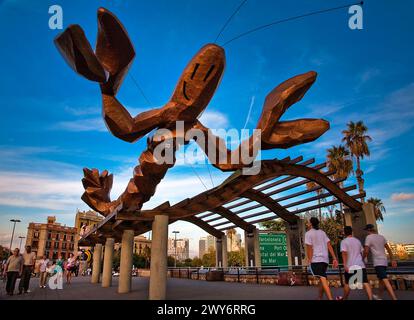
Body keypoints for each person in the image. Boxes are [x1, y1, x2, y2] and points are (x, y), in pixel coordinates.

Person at [305, 217, 339, 300]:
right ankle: (319, 297)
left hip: (316, 259)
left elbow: (309, 248)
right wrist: (334, 258)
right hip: (325, 260)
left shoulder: (308, 233)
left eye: (308, 222)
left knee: (323, 278)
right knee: (322, 277)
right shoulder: (323, 233)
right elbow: (329, 245)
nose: (307, 223)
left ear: (311, 223)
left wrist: (309, 259)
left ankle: (330, 299)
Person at [363, 224, 398, 300]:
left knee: (384, 279)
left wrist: (362, 258)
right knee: (381, 280)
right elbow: (388, 249)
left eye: (366, 230)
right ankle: (379, 296)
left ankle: (394, 298)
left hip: (378, 262)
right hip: (384, 261)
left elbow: (366, 251)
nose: (366, 232)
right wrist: (392, 259)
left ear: (368, 230)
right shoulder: (381, 237)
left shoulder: (368, 237)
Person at [339, 226, 373, 300]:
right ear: (351, 232)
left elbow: (344, 253)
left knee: (348, 283)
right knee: (365, 282)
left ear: (344, 233)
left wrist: (345, 265)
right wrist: (362, 259)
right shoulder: (357, 241)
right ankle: (370, 298)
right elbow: (363, 252)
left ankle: (344, 298)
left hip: (350, 265)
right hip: (360, 265)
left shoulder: (344, 242)